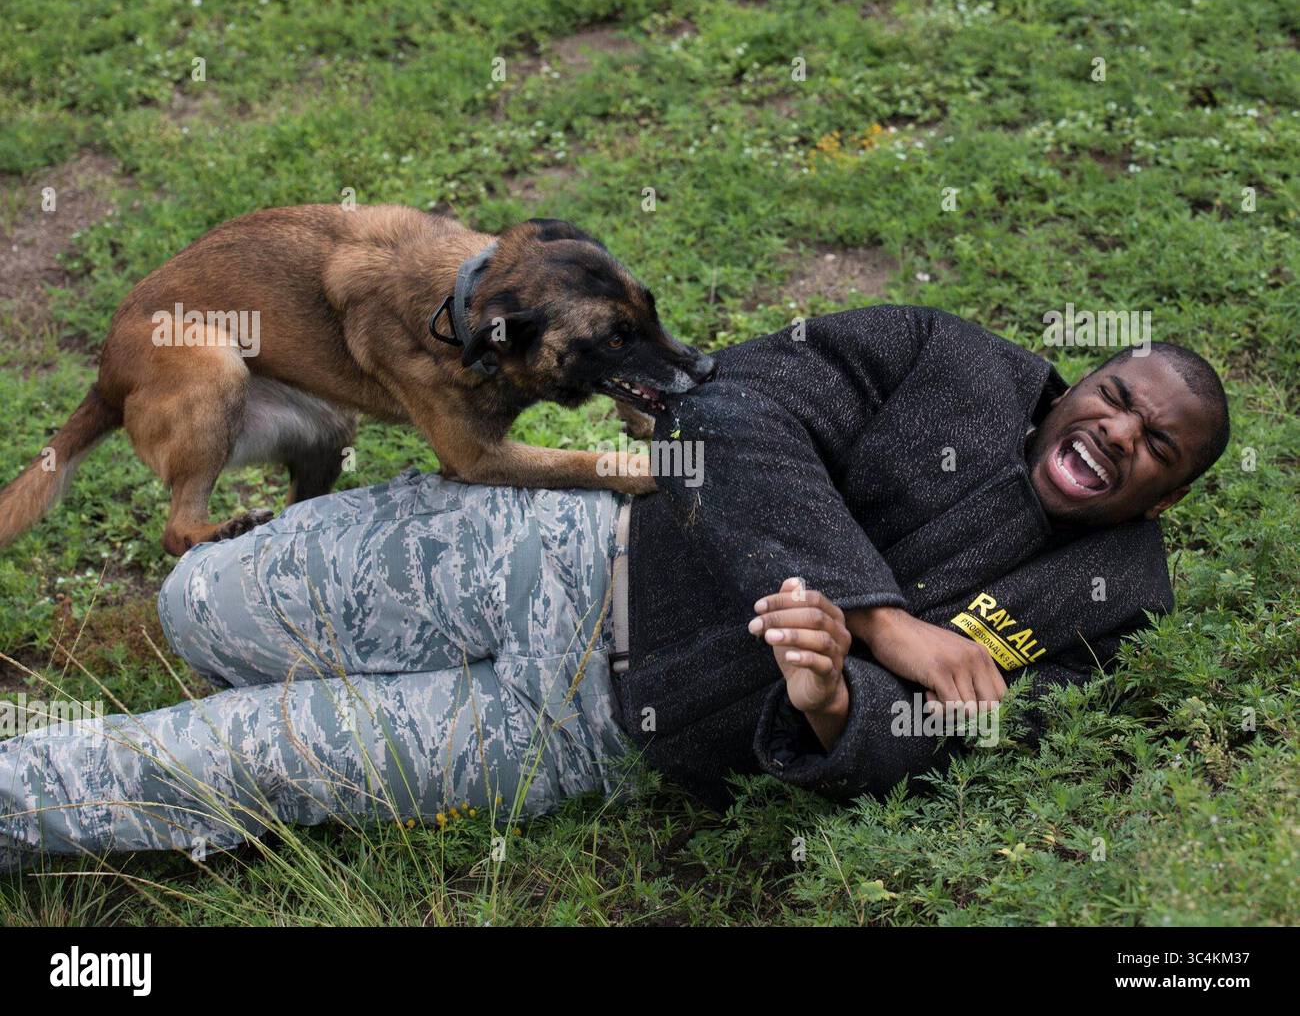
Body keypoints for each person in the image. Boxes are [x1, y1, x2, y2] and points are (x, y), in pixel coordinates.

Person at [0, 305, 1229, 870]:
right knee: (193, 608)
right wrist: (876, 614)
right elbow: (733, 411)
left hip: (589, 732)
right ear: (1080, 385)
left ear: (1161, 495)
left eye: (1155, 446)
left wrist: (835, 709)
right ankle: (254, 632)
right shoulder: (947, 358)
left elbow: (963, 733)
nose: (1120, 433)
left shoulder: (1109, 597)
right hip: (562, 555)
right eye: (1117, 399)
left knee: (231, 765)